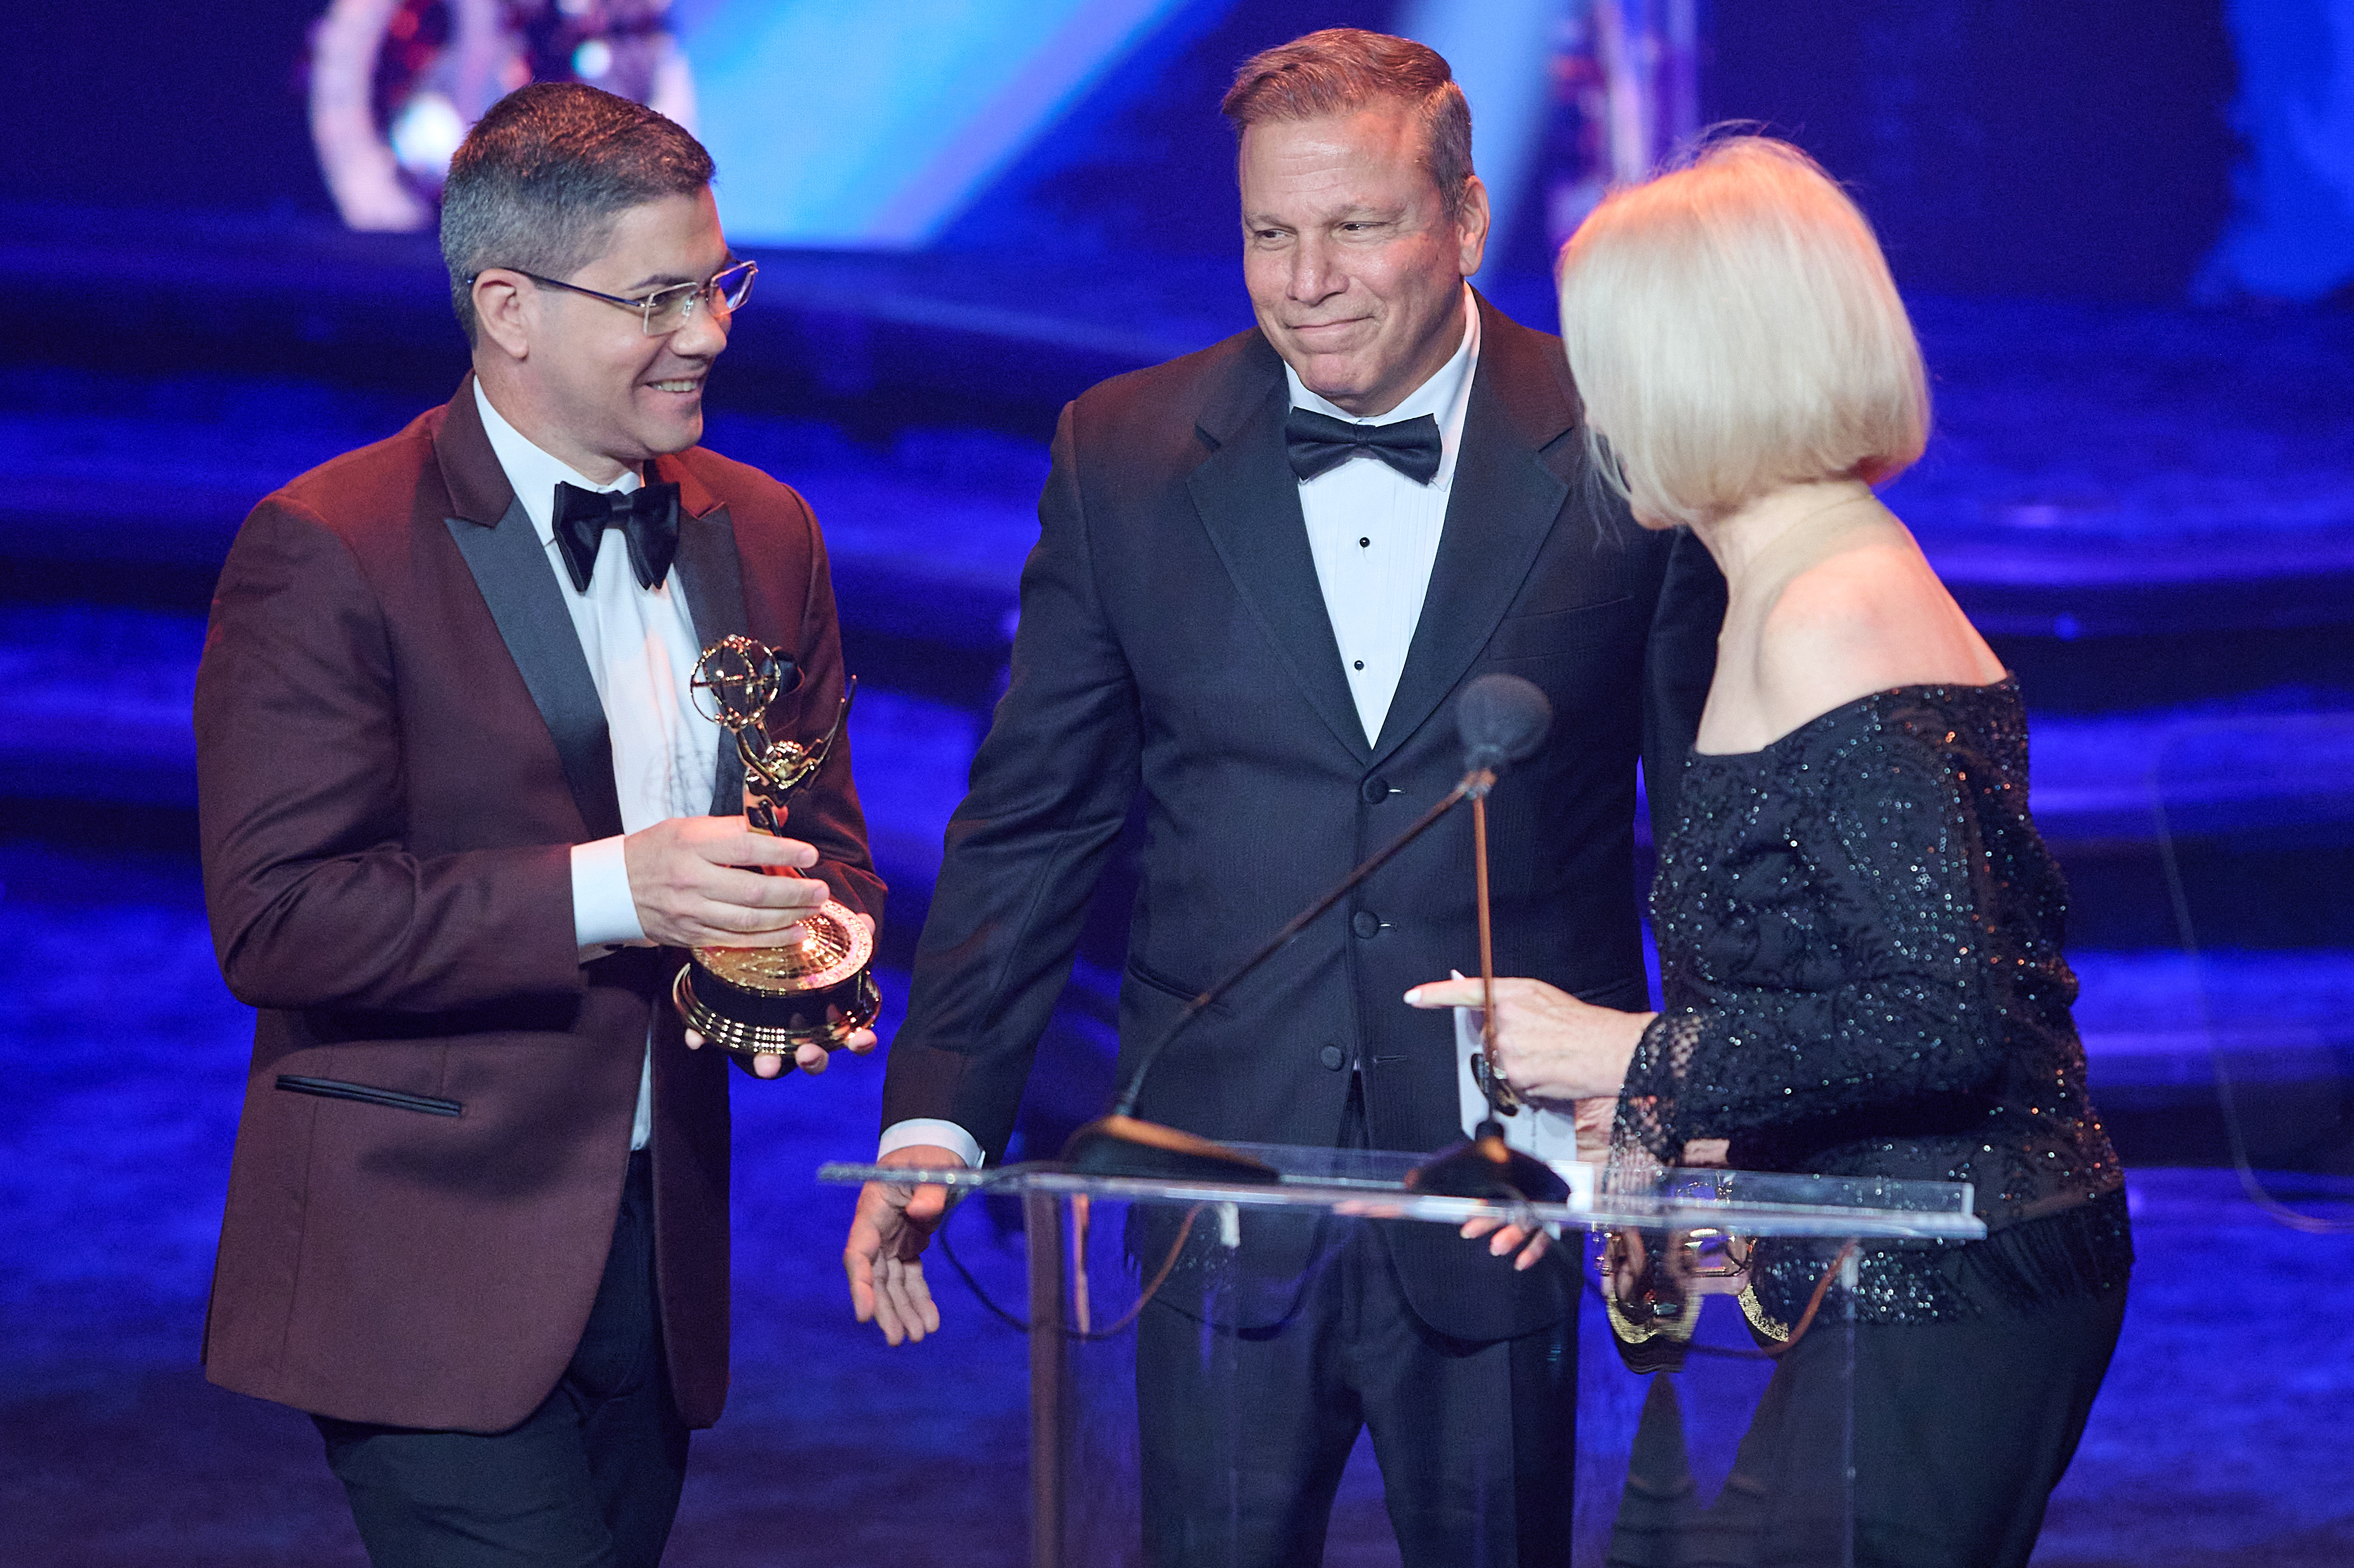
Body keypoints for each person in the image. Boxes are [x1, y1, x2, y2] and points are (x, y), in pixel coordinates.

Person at [845, 27, 1721, 1568]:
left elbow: (1705, 828)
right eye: (1269, 232)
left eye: (1357, 226)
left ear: (1466, 220)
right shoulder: (1123, 451)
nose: (1306, 280)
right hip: (1214, 1177)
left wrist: (1679, 1123)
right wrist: (940, 1113)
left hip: (1510, 1180)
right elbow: (1035, 818)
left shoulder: (1628, 437)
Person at [1407, 137, 2131, 1568]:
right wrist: (1670, 1135)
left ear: (1701, 373)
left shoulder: (1830, 612)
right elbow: (1843, 979)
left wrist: (1626, 1051)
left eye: (1613, 366)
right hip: (1906, 1259)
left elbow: (1951, 1016)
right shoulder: (1787, 580)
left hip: (1955, 1277)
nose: (1594, 410)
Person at [195, 82, 882, 1565]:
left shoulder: (765, 527)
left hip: (659, 1249)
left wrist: (810, 947)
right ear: (508, 308)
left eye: (719, 283)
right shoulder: (328, 546)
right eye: (658, 298)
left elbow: (820, 833)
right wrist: (620, 890)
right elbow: (280, 916)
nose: (709, 332)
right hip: (422, 1250)